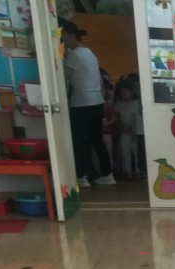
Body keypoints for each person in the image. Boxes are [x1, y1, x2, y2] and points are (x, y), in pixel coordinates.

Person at [60, 20, 115, 187]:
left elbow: (62, 78)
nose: (62, 41)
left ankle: (81, 177)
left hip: (82, 103)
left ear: (71, 35)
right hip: (96, 102)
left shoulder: (74, 55)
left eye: (63, 37)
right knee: (96, 139)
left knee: (79, 140)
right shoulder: (89, 53)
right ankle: (107, 175)